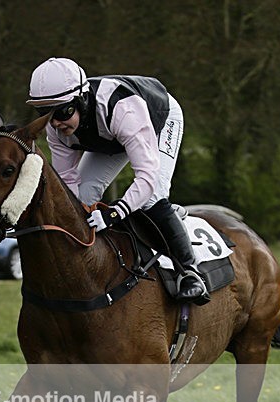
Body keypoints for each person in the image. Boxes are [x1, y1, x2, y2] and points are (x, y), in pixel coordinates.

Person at [26, 57, 210, 304]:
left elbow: (146, 175)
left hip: (157, 120)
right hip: (110, 134)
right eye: (46, 114)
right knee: (83, 194)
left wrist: (115, 213)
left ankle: (190, 272)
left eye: (63, 112)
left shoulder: (123, 109)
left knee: (152, 196)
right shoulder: (57, 128)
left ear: (81, 100)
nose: (56, 122)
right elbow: (67, 183)